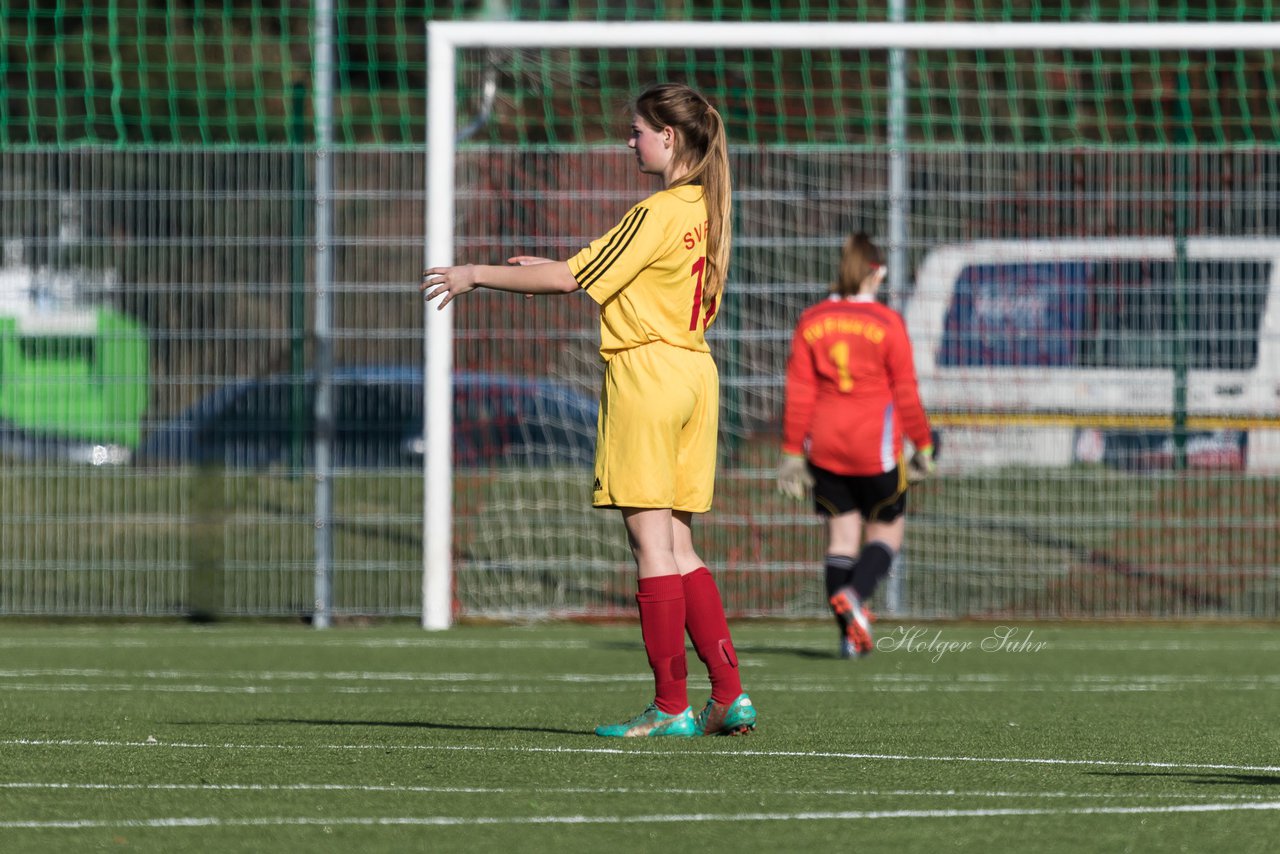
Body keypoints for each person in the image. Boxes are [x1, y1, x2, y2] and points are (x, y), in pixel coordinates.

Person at [421, 83, 755, 737]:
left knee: (650, 547)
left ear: (670, 136)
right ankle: (730, 695)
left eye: (636, 131)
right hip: (694, 373)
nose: (628, 141)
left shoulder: (657, 209)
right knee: (681, 545)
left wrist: (474, 273)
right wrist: (562, 263)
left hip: (648, 377)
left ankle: (669, 709)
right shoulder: (708, 207)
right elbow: (605, 270)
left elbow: (570, 279)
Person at [777, 233, 935, 659]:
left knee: (841, 540)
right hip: (875, 449)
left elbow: (799, 391)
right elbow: (905, 390)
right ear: (877, 272)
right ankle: (855, 598)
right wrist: (923, 443)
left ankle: (849, 635)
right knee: (887, 532)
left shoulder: (812, 319)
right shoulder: (886, 322)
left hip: (825, 447)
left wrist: (792, 452)